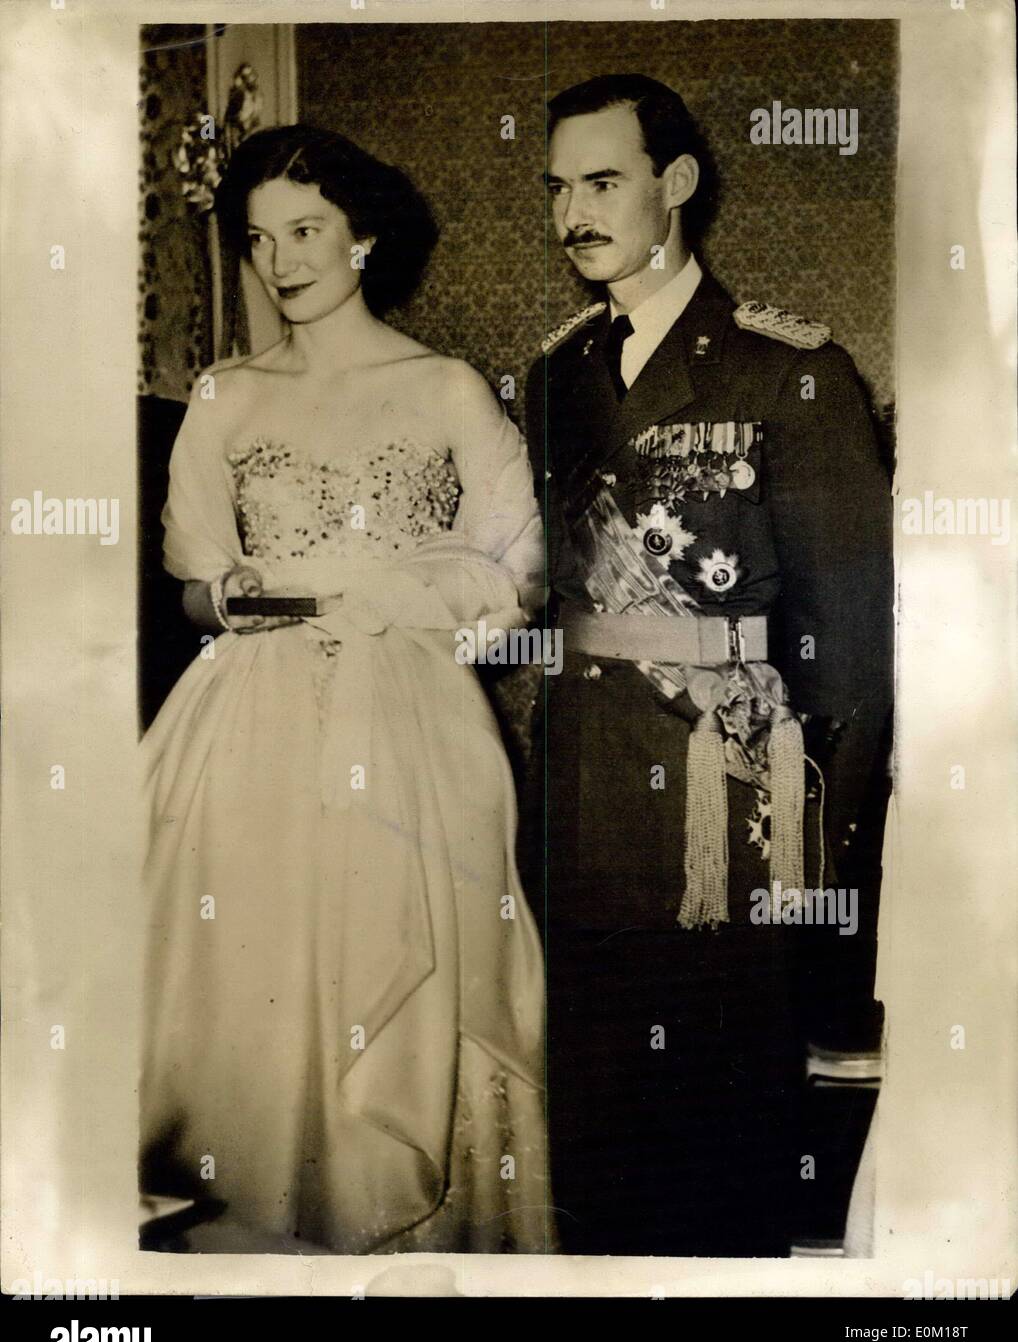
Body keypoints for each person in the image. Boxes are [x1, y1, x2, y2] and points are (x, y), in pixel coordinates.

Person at [140, 125, 551, 1255]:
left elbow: (518, 576)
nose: (281, 261)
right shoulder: (224, 393)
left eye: (307, 231)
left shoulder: (446, 386)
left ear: (364, 236)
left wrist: (388, 592)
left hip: (412, 723)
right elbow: (190, 586)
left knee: (414, 968)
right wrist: (233, 600)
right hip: (247, 724)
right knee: (249, 978)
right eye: (260, 239)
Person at [523, 75, 893, 1256]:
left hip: (726, 814)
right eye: (558, 188)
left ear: (675, 185)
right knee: (595, 1148)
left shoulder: (789, 369)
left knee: (716, 1156)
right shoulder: (558, 374)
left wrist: (812, 864)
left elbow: (851, 657)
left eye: (602, 182)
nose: (572, 212)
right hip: (584, 800)